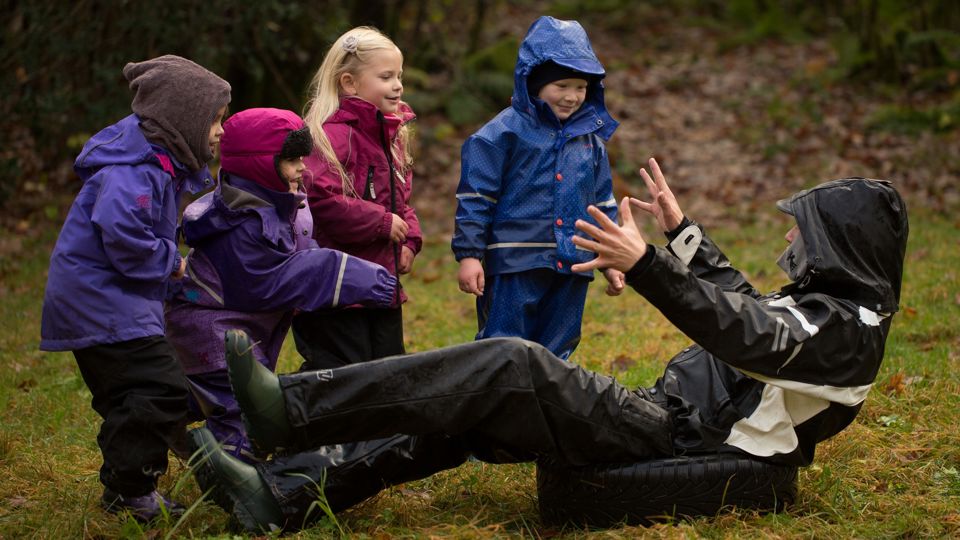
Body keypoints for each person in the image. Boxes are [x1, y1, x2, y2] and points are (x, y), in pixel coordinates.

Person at [190, 159, 908, 533]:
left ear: (841, 243)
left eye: (803, 229)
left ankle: (289, 411)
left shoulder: (847, 335)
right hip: (666, 418)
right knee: (475, 405)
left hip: (679, 440)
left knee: (512, 361)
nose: (790, 236)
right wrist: (683, 233)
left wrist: (646, 265)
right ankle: (281, 498)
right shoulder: (829, 313)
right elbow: (751, 312)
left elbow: (742, 332)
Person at [39, 55, 231, 521]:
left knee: (134, 395)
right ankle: (129, 489)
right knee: (160, 389)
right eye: (215, 120)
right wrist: (170, 263)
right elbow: (123, 235)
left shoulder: (155, 164)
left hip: (107, 301)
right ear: (183, 119)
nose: (221, 131)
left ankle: (125, 487)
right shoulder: (133, 169)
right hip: (100, 303)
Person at [164, 108, 398, 464]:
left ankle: (161, 420)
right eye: (291, 160)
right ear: (258, 165)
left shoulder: (284, 202)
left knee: (202, 393)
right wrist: (343, 274)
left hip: (238, 328)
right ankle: (236, 471)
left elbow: (300, 249)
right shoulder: (240, 222)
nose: (302, 167)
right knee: (238, 404)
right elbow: (271, 280)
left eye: (302, 158)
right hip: (210, 327)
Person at [452, 16, 625, 361]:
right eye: (561, 85)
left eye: (581, 87)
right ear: (533, 81)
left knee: (558, 348)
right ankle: (501, 394)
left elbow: (603, 203)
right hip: (514, 261)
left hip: (574, 262)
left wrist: (611, 256)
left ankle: (548, 395)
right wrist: (470, 255)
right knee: (503, 345)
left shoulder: (590, 141)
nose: (572, 97)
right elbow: (476, 198)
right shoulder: (500, 134)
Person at [291, 26, 421, 371]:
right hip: (338, 287)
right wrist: (381, 223)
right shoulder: (330, 135)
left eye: (399, 76)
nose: (398, 85)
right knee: (343, 373)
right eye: (386, 77)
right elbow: (320, 200)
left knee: (389, 369)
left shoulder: (391, 136)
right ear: (349, 83)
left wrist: (409, 238)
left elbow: (400, 200)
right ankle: (291, 402)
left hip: (381, 283)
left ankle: (389, 411)